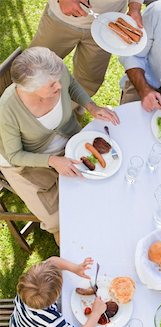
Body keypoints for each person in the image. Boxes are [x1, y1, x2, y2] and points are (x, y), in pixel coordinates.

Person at [0, 47, 119, 243]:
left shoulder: (54, 74)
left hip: (67, 139)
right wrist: (53, 161)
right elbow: (15, 155)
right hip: (27, 161)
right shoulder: (8, 109)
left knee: (98, 183)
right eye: (52, 86)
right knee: (58, 218)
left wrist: (92, 106)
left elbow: (71, 84)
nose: (59, 86)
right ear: (29, 88)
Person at [30, 0, 143, 100]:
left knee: (88, 81)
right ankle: (20, 112)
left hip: (106, 26)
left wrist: (135, 7)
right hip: (61, 20)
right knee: (33, 68)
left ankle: (71, 114)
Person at [10, 257, 106, 327]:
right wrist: (96, 313)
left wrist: (75, 268)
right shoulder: (50, 319)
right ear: (56, 297)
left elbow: (53, 261)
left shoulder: (26, 289)